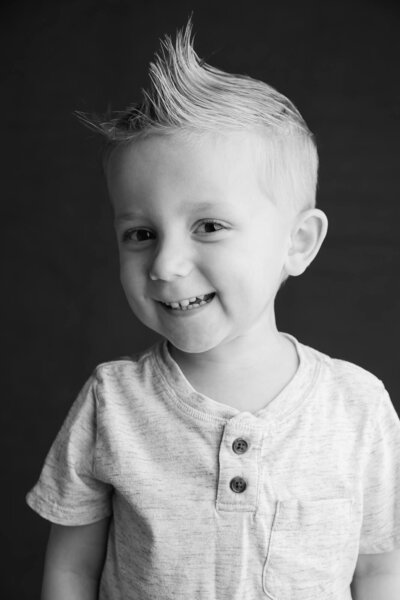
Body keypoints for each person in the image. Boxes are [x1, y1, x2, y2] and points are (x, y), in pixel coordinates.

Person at [26, 19, 400, 600]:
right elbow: (72, 570)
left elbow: (377, 570)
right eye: (141, 233)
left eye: (209, 226)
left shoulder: (359, 409)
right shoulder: (113, 402)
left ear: (297, 243)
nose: (166, 264)